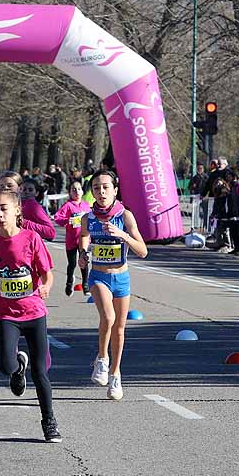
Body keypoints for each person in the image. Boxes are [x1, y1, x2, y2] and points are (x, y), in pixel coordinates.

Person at [0, 190, 61, 442]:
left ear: (17, 211)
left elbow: (47, 272)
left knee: (40, 372)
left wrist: (46, 285)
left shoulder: (31, 238)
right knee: (5, 365)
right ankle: (17, 369)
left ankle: (49, 422)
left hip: (34, 312)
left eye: (3, 208)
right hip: (7, 314)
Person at [79, 171, 148, 401]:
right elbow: (84, 236)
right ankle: (101, 358)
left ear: (115, 190)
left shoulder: (125, 216)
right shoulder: (88, 218)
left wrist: (122, 235)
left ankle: (115, 374)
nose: (101, 192)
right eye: (96, 188)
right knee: (107, 318)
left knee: (119, 327)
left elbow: (143, 251)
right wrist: (82, 253)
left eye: (106, 187)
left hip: (121, 278)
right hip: (99, 277)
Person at [53, 179, 91, 296]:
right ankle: (69, 283)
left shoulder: (86, 205)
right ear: (70, 192)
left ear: (82, 191)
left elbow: (92, 219)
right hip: (71, 240)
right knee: (72, 264)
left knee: (84, 262)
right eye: (74, 189)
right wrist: (67, 220)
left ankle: (86, 285)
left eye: (79, 189)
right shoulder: (68, 205)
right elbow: (57, 218)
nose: (77, 191)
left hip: (84, 240)